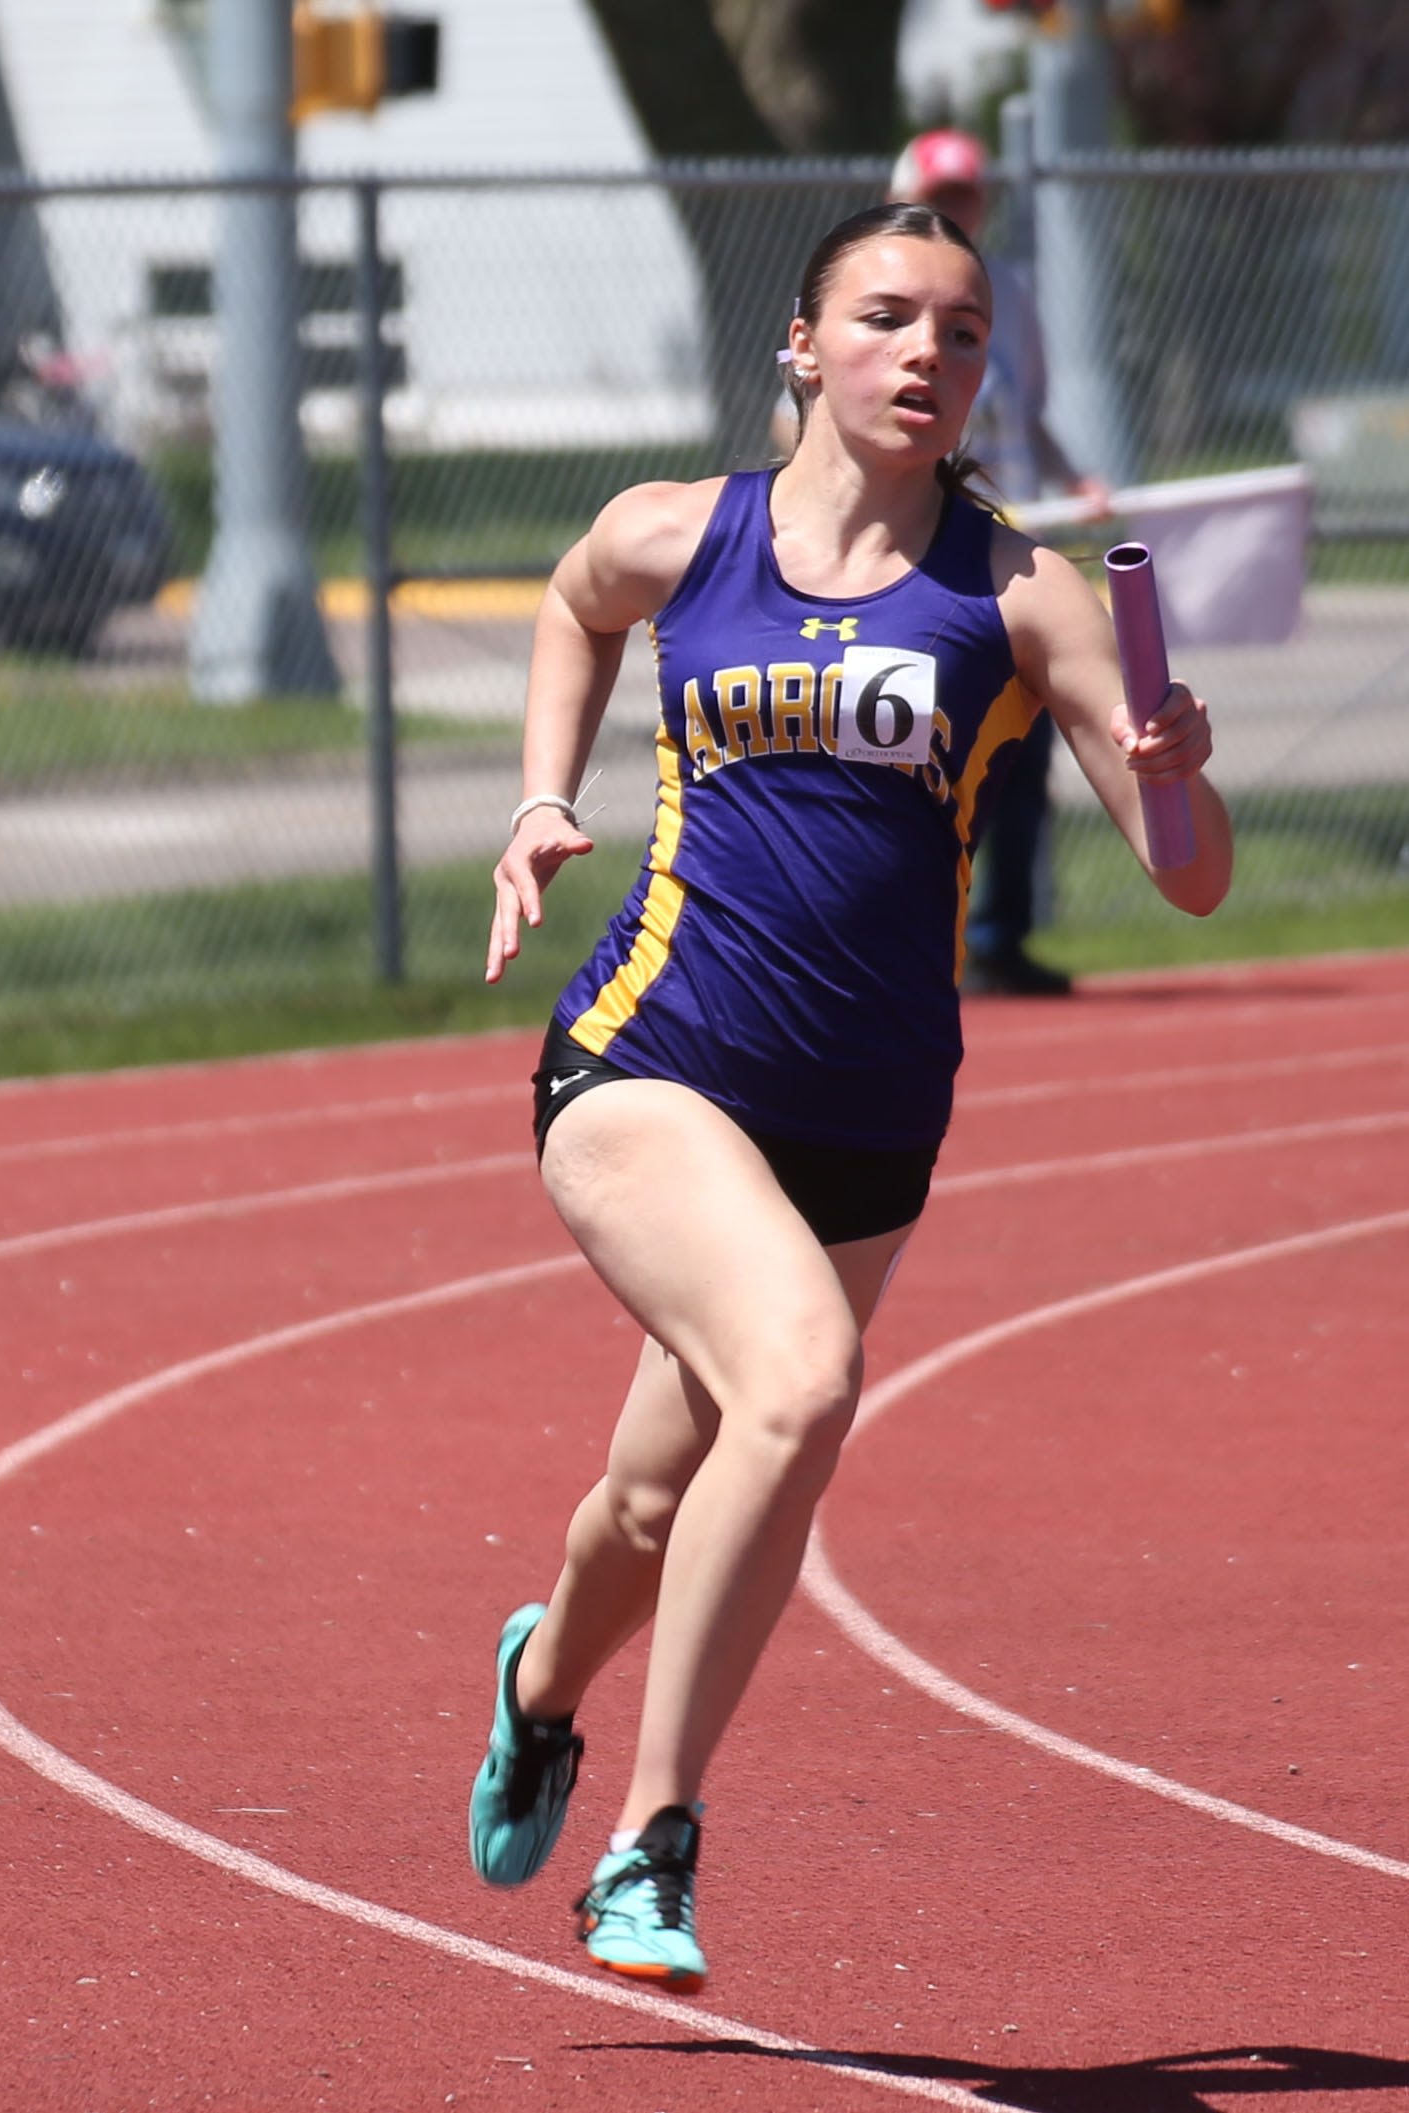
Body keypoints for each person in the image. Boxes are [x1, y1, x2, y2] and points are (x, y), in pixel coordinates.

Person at [472, 202, 1227, 1993]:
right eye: (886, 318)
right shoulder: (677, 533)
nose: (925, 355)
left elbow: (1186, 875)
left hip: (867, 1122)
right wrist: (535, 797)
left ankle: (535, 1684)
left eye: (961, 334)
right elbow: (571, 612)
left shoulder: (1020, 593)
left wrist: (1178, 771)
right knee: (802, 1383)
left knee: (655, 1503)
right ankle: (652, 1840)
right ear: (803, 344)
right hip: (652, 1060)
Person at [893, 127, 1112, 997]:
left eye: (967, 196)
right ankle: (907, 940)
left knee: (1024, 749)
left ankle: (996, 937)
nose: (957, 211)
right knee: (928, 755)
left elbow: (1026, 416)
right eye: (939, 196)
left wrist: (1074, 480)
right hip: (931, 550)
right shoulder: (871, 290)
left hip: (1014, 554)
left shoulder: (1007, 292)